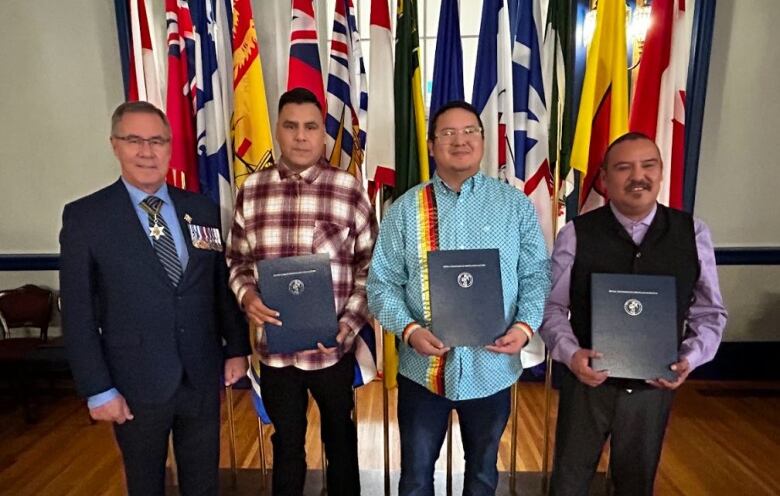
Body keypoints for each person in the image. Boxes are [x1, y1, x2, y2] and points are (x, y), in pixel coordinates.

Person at [59, 101, 250, 496]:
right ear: (115, 145)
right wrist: (98, 389)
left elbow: (217, 286)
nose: (146, 151)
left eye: (157, 141)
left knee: (203, 482)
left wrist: (236, 348)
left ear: (169, 147)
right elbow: (77, 313)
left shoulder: (201, 209)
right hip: (133, 382)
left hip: (200, 373)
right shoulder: (86, 217)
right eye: (134, 140)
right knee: (145, 483)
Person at [367, 100, 550, 495]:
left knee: (483, 474)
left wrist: (523, 327)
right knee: (415, 478)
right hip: (423, 370)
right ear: (432, 145)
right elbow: (381, 284)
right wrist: (410, 330)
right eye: (447, 133)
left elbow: (536, 275)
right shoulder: (405, 210)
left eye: (470, 131)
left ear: (483, 142)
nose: (460, 141)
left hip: (492, 367)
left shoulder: (514, 206)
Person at [539, 132, 728, 496]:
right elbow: (553, 307)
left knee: (636, 484)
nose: (637, 176)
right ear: (605, 180)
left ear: (661, 174)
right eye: (623, 168)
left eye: (648, 166)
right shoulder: (577, 233)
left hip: (652, 389)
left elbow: (710, 312)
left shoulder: (693, 233)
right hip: (587, 387)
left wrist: (689, 358)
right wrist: (569, 353)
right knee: (568, 483)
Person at [225, 87, 376, 496]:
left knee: (340, 441)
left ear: (322, 132)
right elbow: (237, 260)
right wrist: (247, 296)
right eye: (290, 126)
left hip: (332, 346)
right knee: (286, 444)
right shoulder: (252, 191)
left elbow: (370, 267)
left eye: (311, 127)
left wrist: (347, 323)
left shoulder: (348, 190)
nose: (301, 136)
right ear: (277, 129)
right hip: (274, 349)